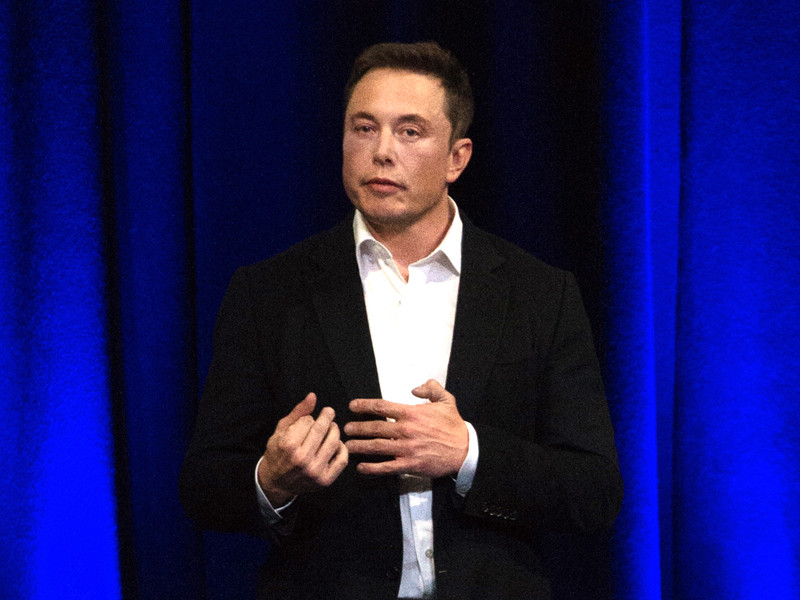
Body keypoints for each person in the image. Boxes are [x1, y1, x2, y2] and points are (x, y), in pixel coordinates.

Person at [180, 41, 623, 600]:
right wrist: (272, 479)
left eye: (410, 131)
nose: (382, 151)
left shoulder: (539, 293)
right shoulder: (270, 293)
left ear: (457, 158)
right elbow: (204, 486)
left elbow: (593, 491)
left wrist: (468, 453)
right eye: (364, 128)